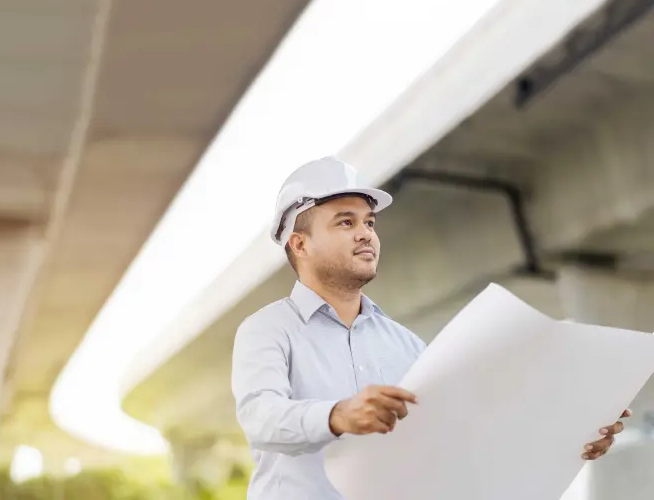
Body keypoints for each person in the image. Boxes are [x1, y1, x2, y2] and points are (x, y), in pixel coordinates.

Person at [231, 157, 629, 499]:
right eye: (345, 222)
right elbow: (261, 418)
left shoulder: (405, 344)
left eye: (369, 222)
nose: (366, 233)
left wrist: (570, 438)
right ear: (299, 244)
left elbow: (458, 440)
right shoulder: (267, 330)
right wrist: (338, 415)